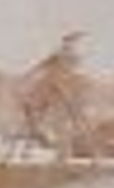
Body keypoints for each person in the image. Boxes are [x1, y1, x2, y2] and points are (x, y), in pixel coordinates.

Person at [18, 31, 94, 161]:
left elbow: (67, 71)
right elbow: (40, 67)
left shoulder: (70, 58)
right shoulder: (59, 57)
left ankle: (64, 155)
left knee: (64, 124)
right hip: (53, 92)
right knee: (51, 123)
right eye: (66, 44)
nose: (66, 47)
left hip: (63, 93)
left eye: (69, 44)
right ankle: (32, 152)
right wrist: (27, 77)